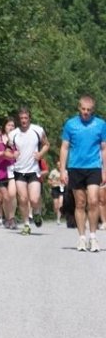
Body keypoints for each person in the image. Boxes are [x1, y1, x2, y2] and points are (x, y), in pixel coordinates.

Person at [58, 94, 106, 251]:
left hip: (94, 167)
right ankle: (81, 238)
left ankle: (93, 237)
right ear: (79, 108)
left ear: (93, 110)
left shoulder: (100, 124)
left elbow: (104, 148)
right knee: (80, 203)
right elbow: (64, 147)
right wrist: (62, 170)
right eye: (83, 109)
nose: (86, 112)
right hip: (75, 167)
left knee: (93, 200)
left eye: (89, 110)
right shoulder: (70, 124)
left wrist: (104, 170)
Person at [9, 106, 50, 236]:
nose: (24, 120)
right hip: (19, 170)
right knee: (22, 198)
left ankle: (36, 213)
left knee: (34, 199)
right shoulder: (13, 134)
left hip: (34, 170)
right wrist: (12, 154)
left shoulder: (37, 130)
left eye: (26, 118)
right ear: (18, 119)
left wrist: (40, 154)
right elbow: (8, 150)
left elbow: (46, 144)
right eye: (21, 118)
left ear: (29, 118)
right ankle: (26, 224)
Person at [0, 117, 18, 228]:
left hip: (13, 170)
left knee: (12, 195)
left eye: (13, 125)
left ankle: (12, 218)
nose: (11, 127)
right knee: (5, 197)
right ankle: (8, 218)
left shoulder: (18, 138)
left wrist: (16, 155)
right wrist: (2, 153)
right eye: (9, 125)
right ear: (4, 127)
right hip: (1, 171)